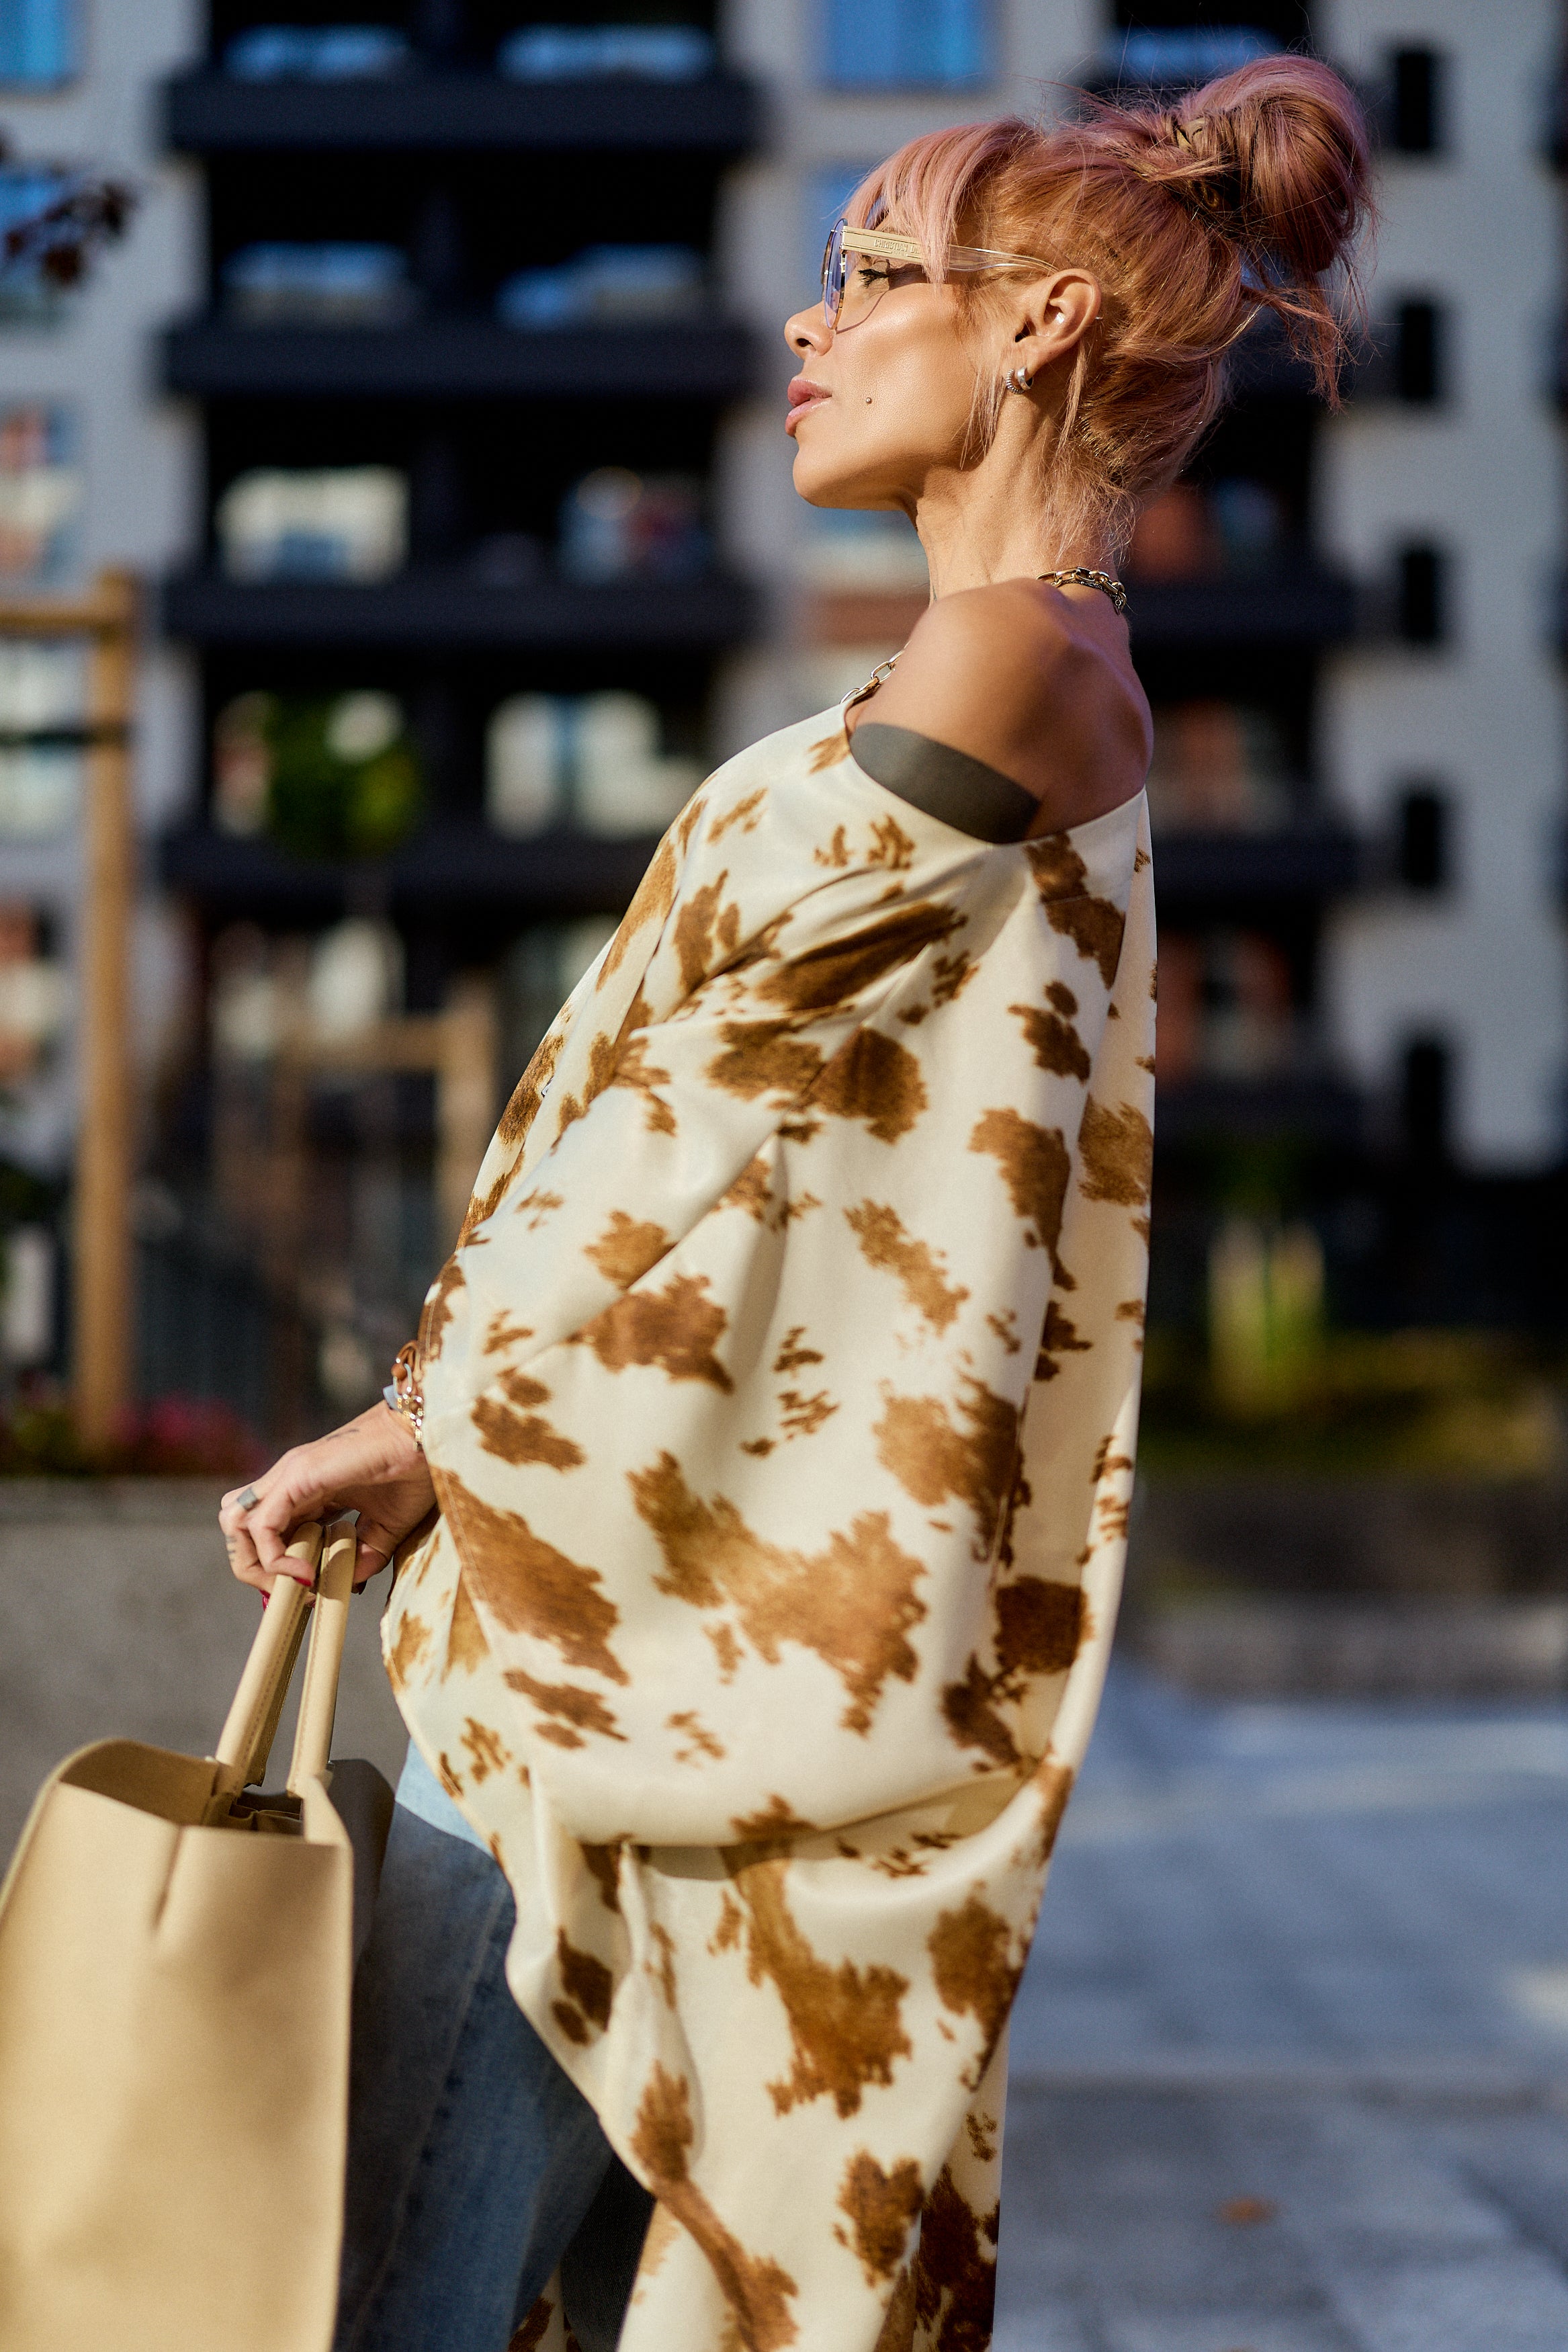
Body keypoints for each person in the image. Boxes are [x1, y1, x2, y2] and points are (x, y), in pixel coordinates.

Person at [220, 56, 1372, 2352]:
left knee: (394, 2298)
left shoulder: (1013, 661)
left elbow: (702, 1116)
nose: (804, 324)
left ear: (1038, 321)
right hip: (686, 1611)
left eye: (867, 272)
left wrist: (426, 1425)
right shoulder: (1025, 666)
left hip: (630, 1650)